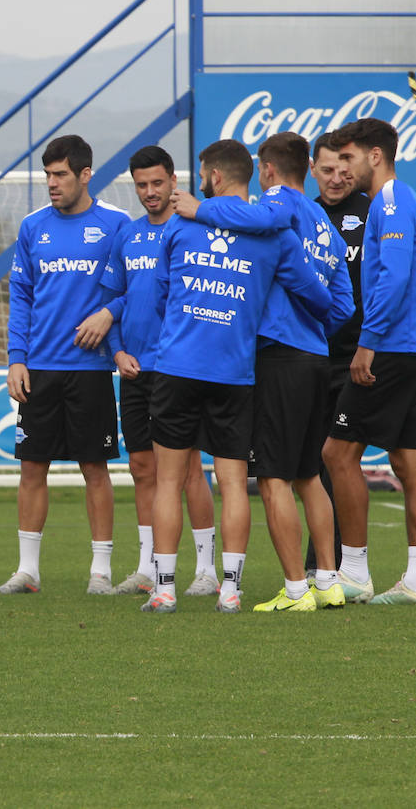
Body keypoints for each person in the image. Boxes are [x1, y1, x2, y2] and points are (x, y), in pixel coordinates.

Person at [141, 139, 332, 614]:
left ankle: (164, 589)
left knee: (169, 481)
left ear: (215, 177)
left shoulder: (182, 225)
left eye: (203, 174)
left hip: (177, 367)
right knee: (232, 480)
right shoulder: (274, 235)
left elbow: (160, 296)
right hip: (235, 373)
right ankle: (230, 589)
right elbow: (317, 295)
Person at [0, 134, 130, 597]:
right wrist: (16, 358)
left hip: (91, 369)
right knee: (32, 468)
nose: (52, 184)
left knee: (95, 467)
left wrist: (109, 312)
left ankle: (101, 573)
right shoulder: (33, 227)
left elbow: (142, 283)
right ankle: (27, 571)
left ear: (85, 175)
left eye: (60, 175)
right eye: (47, 175)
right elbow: (21, 295)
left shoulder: (116, 224)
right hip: (40, 367)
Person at [82, 145, 219, 597]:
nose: (150, 192)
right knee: (142, 467)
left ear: (173, 180)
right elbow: (112, 301)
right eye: (141, 185)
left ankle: (205, 570)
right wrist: (117, 352)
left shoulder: (192, 230)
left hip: (179, 369)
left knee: (188, 470)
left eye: (157, 183)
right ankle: (148, 567)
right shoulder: (129, 235)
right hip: (134, 370)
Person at [321, 118, 416, 605]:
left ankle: (353, 571)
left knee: (337, 454)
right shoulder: (407, 202)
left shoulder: (389, 202)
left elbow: (392, 279)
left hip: (392, 345)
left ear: (375, 156)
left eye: (348, 157)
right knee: (410, 461)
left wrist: (368, 342)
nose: (343, 169)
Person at [303, 132, 373, 573]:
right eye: (325, 170)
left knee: (339, 461)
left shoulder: (374, 213)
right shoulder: (300, 215)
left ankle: (341, 566)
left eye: (343, 169)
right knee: (310, 463)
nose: (335, 178)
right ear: (311, 169)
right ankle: (323, 565)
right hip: (307, 357)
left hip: (356, 360)